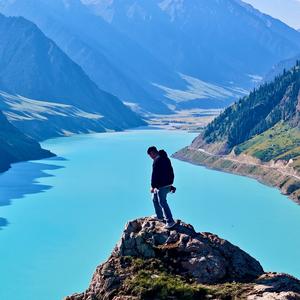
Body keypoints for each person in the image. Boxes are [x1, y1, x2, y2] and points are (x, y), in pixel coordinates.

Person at [147, 146, 176, 229]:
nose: (151, 157)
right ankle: (159, 216)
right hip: (167, 183)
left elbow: (154, 175)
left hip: (162, 185)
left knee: (162, 202)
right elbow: (170, 171)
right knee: (155, 198)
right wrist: (170, 184)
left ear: (153, 153)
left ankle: (170, 221)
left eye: (150, 155)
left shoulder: (157, 161)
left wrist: (153, 186)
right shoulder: (165, 158)